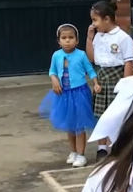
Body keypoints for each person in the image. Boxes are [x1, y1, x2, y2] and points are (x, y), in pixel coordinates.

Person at [39, 24, 101, 168]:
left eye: (71, 38)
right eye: (64, 38)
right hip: (63, 94)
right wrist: (54, 80)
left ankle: (81, 154)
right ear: (59, 41)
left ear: (77, 40)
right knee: (69, 125)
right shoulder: (56, 55)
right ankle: (73, 151)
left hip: (79, 93)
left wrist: (96, 83)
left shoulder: (81, 55)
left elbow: (90, 70)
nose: (68, 41)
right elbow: (52, 71)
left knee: (79, 125)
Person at [86, 0, 133, 162]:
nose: (93, 24)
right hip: (102, 78)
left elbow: (128, 62)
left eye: (95, 20)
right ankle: (102, 148)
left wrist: (126, 86)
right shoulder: (98, 36)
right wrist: (89, 38)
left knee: (118, 115)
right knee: (102, 116)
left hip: (117, 78)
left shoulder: (123, 38)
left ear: (107, 19)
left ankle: (119, 146)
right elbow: (92, 58)